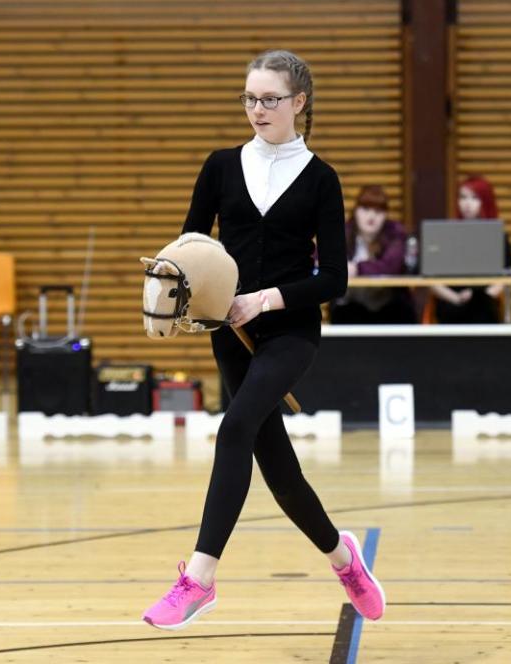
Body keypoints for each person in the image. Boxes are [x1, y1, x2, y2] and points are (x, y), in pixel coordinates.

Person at [142, 49, 385, 630]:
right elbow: (189, 248)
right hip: (230, 334)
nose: (257, 109)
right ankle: (343, 558)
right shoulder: (220, 166)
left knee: (234, 425)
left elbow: (334, 278)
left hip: (290, 332)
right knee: (277, 467)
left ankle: (198, 580)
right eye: (250, 98)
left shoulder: (322, 179)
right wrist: (170, 300)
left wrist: (265, 298)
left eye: (270, 98)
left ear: (298, 103)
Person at [430, 175, 511, 324]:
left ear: (485, 201)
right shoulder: (445, 234)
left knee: (482, 309)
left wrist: (487, 294)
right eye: (463, 197)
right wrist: (454, 298)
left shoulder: (497, 235)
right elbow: (431, 279)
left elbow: (506, 274)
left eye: (474, 198)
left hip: (483, 302)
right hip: (451, 301)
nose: (467, 204)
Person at [330, 185, 417, 324]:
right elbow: (320, 262)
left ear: (385, 215)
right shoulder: (342, 232)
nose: (371, 216)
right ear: (356, 211)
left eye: (378, 211)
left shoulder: (395, 233)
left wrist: (357, 268)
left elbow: (390, 266)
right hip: (349, 308)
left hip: (389, 308)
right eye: (365, 209)